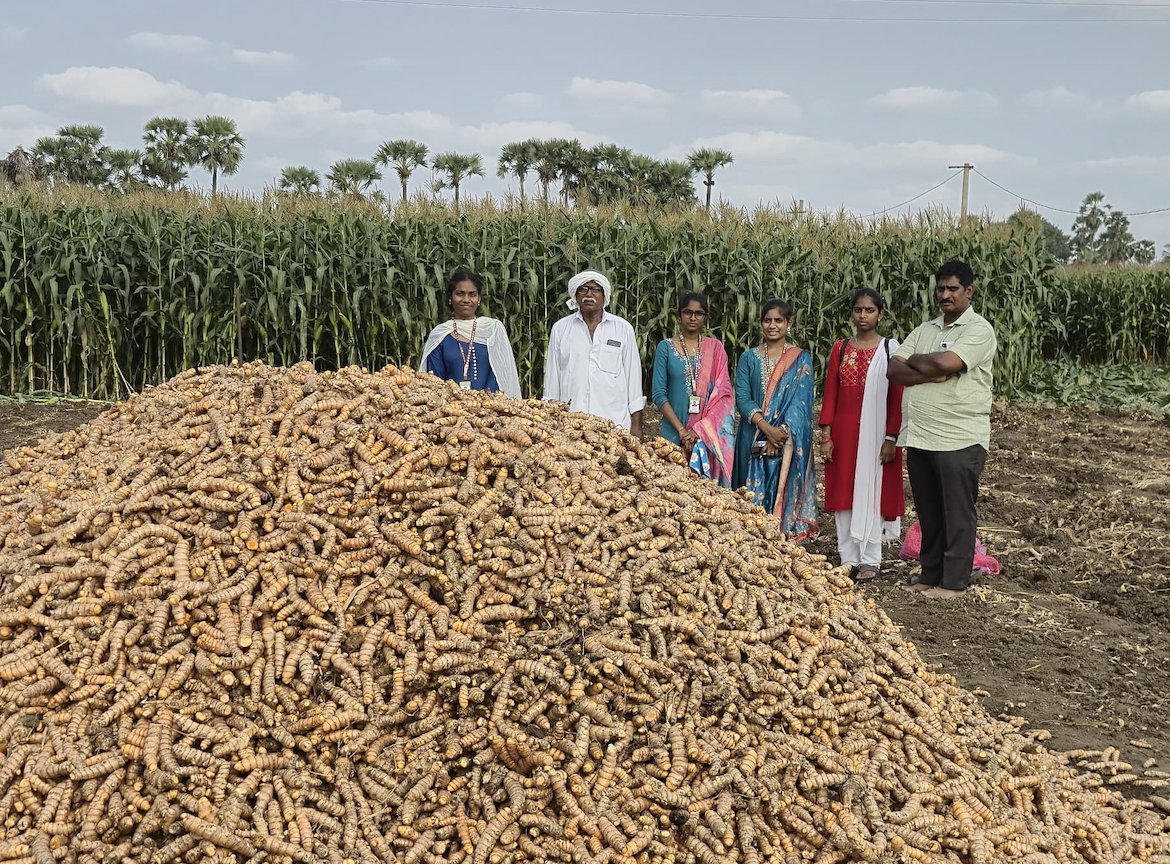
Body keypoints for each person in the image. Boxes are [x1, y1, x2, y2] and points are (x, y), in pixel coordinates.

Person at [887, 259, 997, 599]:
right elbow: (894, 369)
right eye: (941, 289)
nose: (945, 295)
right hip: (920, 435)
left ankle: (954, 583)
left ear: (968, 291)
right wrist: (933, 369)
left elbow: (948, 363)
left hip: (959, 437)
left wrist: (926, 363)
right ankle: (929, 574)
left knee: (956, 512)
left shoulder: (978, 330)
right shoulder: (925, 329)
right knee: (930, 511)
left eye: (952, 289)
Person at [819, 288, 905, 583]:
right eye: (858, 310)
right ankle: (848, 558)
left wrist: (891, 437)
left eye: (870, 310)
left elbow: (897, 397)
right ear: (852, 313)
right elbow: (831, 392)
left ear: (880, 314)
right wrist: (826, 434)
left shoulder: (890, 350)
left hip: (877, 434)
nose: (863, 315)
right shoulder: (841, 348)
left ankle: (871, 560)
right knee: (843, 494)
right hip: (844, 432)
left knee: (873, 491)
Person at [733, 299, 818, 542]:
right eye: (767, 320)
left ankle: (782, 545)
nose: (773, 325)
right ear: (761, 324)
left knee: (780, 493)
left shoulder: (800, 359)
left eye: (778, 320)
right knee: (747, 503)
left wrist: (780, 434)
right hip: (753, 437)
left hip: (786, 442)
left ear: (788, 324)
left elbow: (802, 403)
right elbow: (742, 397)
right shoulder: (749, 358)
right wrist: (767, 429)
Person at [542, 269, 645, 437]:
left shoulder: (623, 329)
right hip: (571, 427)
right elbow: (553, 380)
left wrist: (637, 426)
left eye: (595, 289)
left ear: (604, 296)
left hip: (615, 425)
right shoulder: (561, 329)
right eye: (583, 289)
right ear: (575, 295)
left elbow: (633, 380)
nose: (589, 294)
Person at [651, 292, 736, 486]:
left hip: (706, 435)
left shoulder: (715, 348)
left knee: (705, 496)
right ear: (679, 315)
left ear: (705, 317)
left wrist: (698, 431)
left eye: (698, 313)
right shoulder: (665, 347)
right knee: (670, 491)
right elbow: (658, 393)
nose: (693, 317)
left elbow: (724, 396)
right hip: (672, 432)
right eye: (687, 312)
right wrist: (682, 431)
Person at [419, 267, 522, 398]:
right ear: (450, 297)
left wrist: (483, 402)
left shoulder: (492, 330)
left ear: (479, 299)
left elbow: (500, 373)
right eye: (460, 293)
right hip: (450, 410)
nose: (466, 299)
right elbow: (435, 381)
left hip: (491, 408)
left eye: (472, 294)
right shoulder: (440, 335)